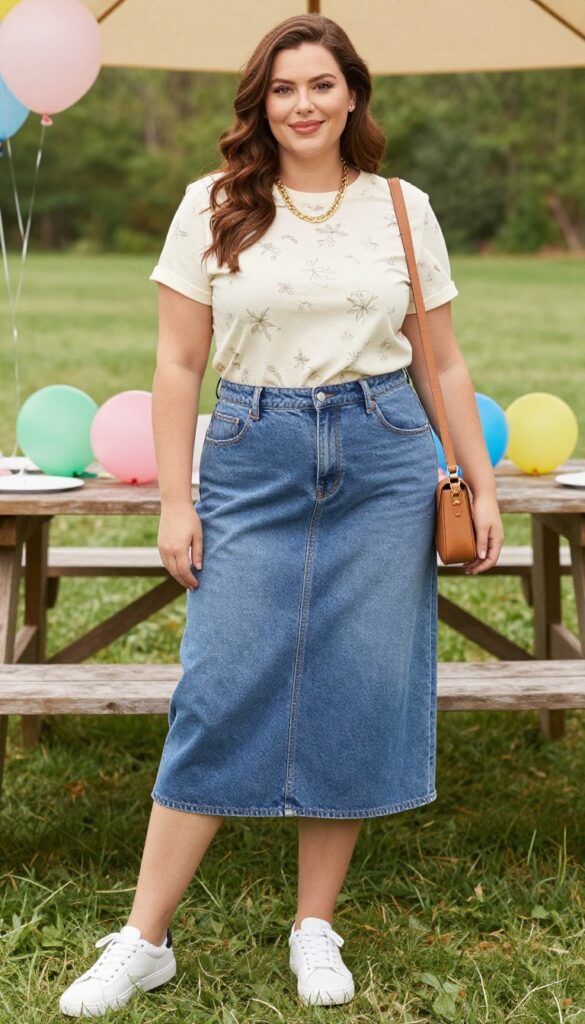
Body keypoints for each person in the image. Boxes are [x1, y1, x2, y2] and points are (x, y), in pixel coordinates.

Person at [59, 12, 504, 1017]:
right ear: (261, 103)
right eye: (282, 89)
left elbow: (442, 359)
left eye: (320, 85)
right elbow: (178, 363)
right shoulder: (213, 205)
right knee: (218, 685)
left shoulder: (400, 207)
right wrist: (177, 497)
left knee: (356, 683)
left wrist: (481, 481)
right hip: (251, 456)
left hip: (385, 455)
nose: (302, 105)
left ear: (353, 93)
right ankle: (144, 936)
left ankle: (315, 925)